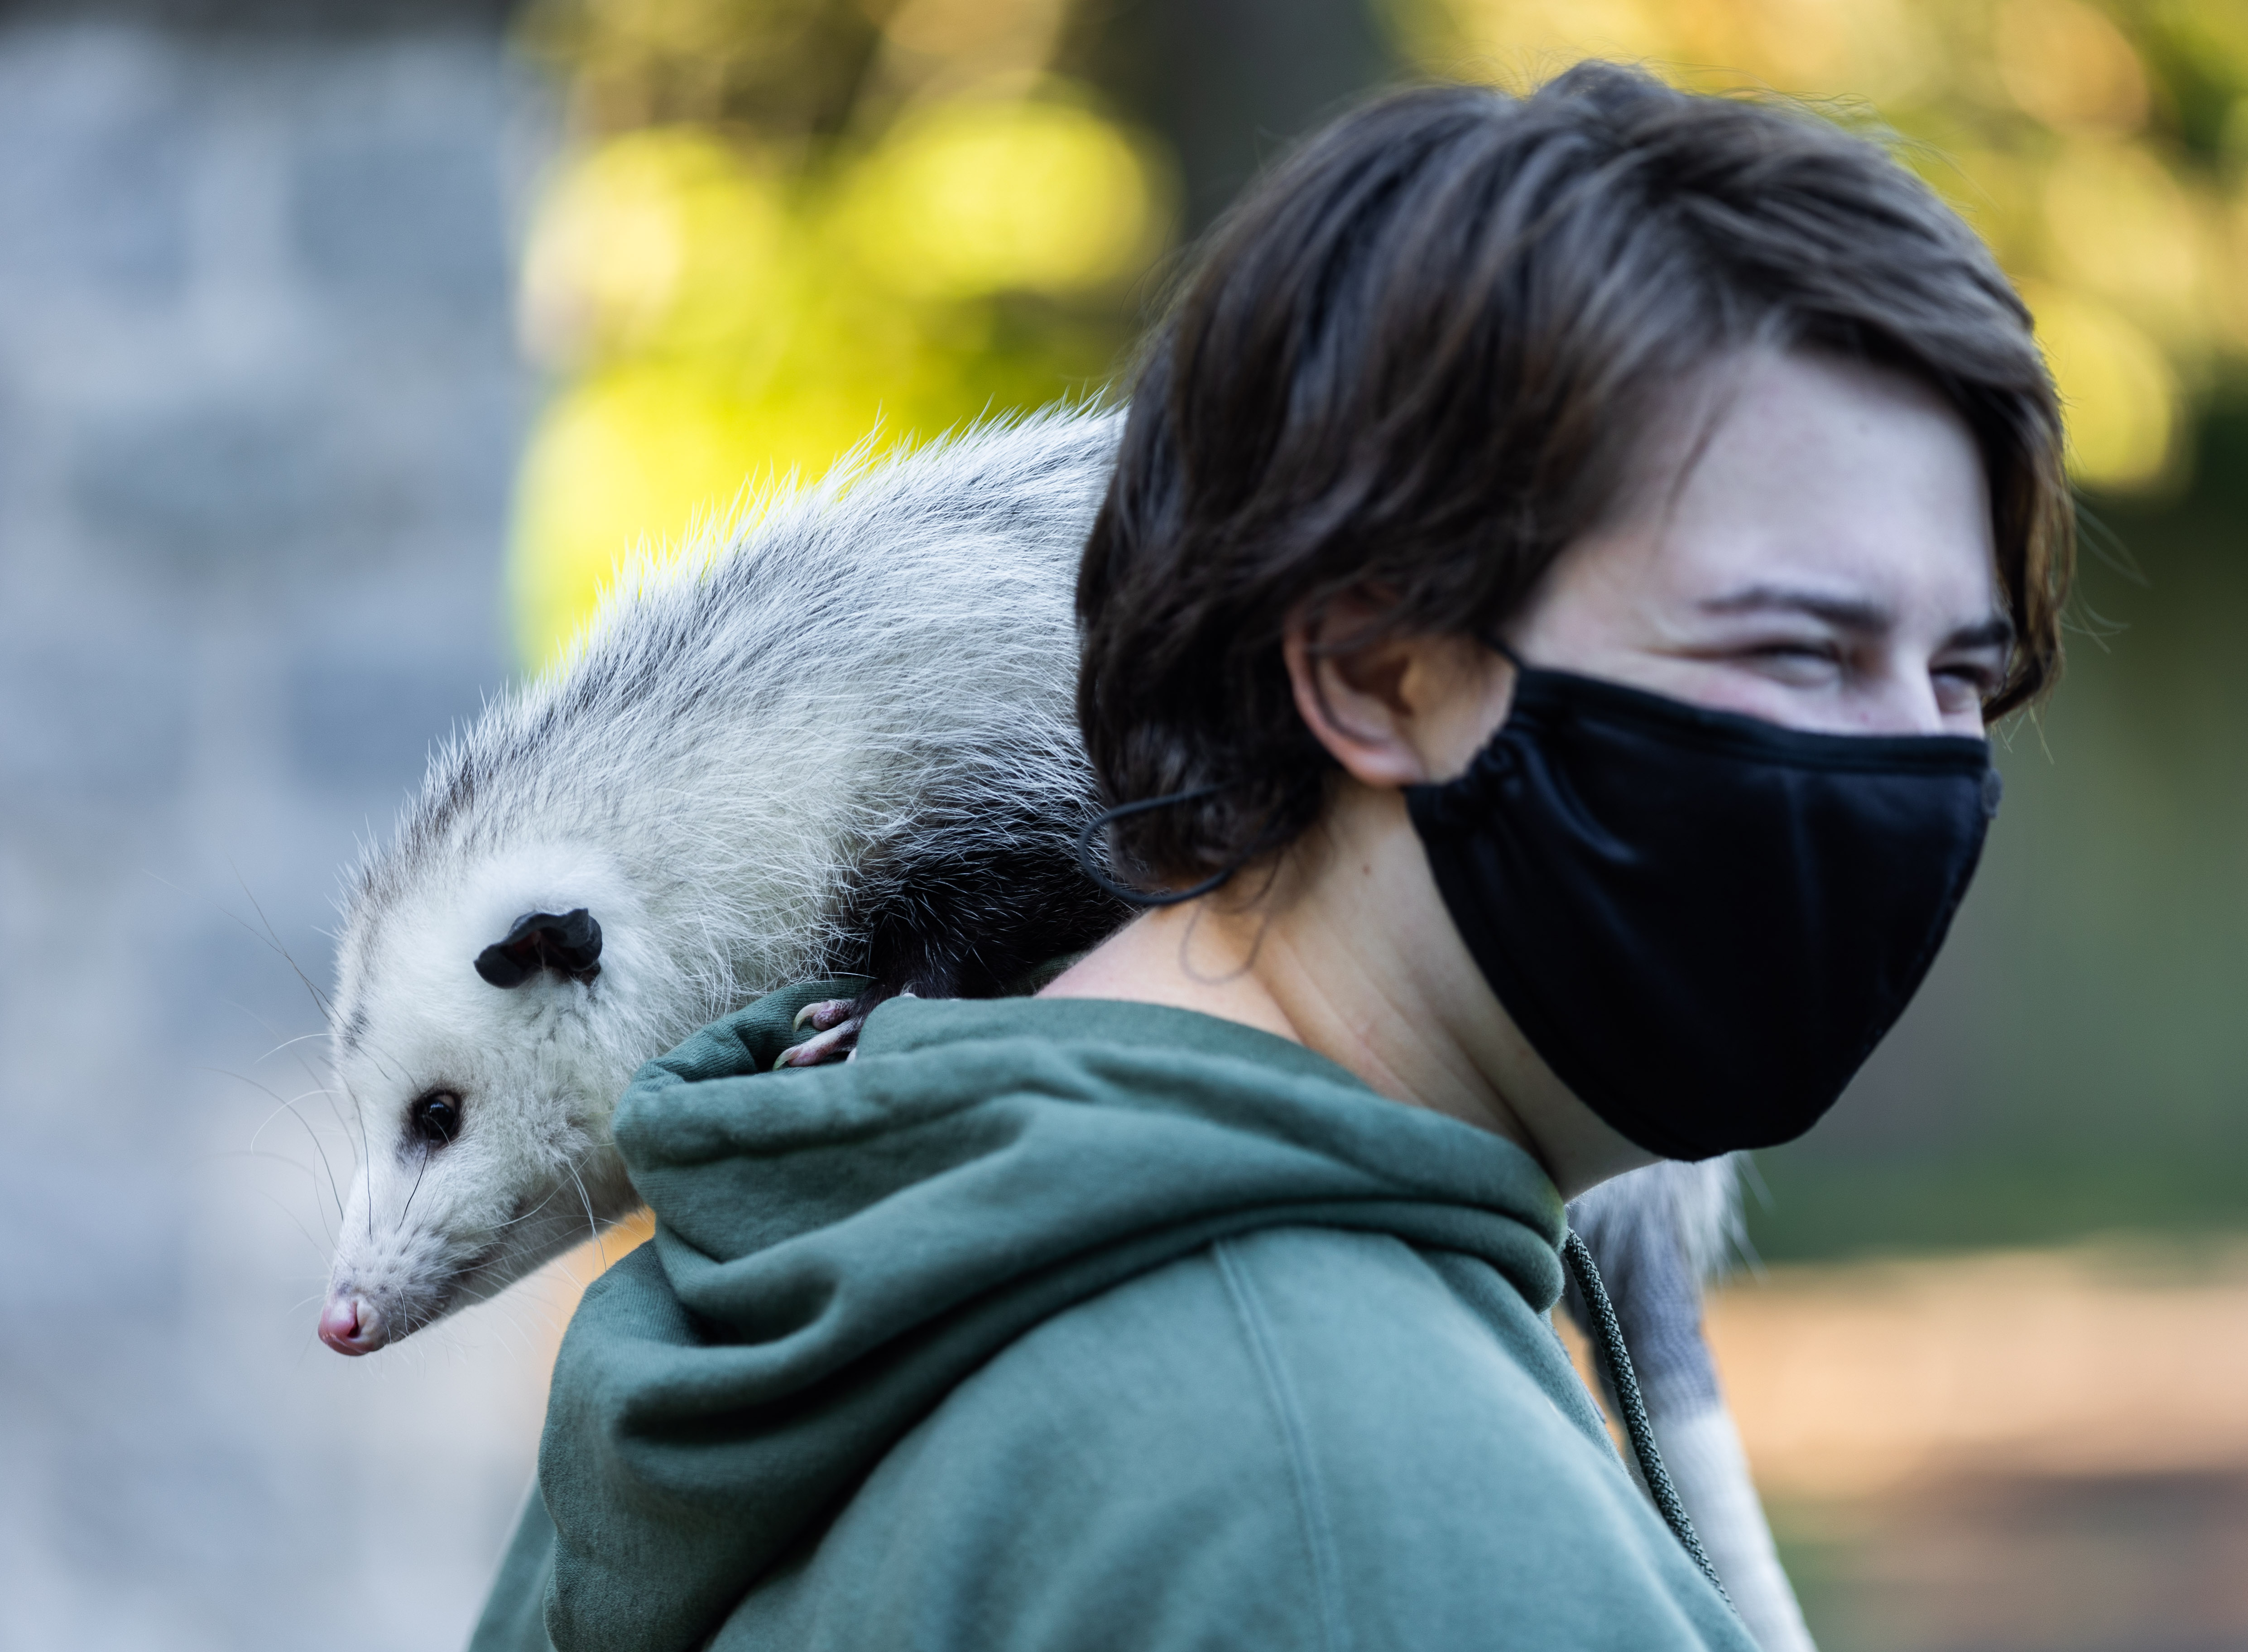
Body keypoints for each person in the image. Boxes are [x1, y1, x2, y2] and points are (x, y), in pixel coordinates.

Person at [470, 60, 2067, 1652]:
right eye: (1800, 650)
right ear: (1374, 670)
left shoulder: (768, 1288)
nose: (1917, 770)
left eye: (1962, 681)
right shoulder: (1380, 1523)